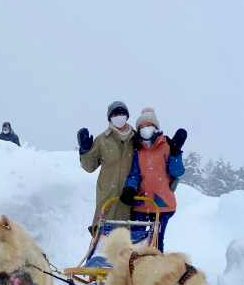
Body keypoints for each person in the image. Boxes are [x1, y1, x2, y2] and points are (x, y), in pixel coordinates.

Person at [120, 107, 187, 251]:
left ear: (155, 127)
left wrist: (175, 153)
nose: (145, 129)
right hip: (141, 203)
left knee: (156, 241)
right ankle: (136, 269)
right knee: (137, 242)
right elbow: (134, 174)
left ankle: (156, 269)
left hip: (161, 204)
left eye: (149, 126)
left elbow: (177, 172)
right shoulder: (138, 151)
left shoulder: (166, 146)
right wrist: (130, 188)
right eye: (142, 127)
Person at [78, 101, 135, 234]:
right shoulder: (102, 140)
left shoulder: (136, 138)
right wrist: (85, 151)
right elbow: (89, 167)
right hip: (107, 196)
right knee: (102, 238)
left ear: (127, 116)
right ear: (110, 118)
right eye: (115, 114)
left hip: (129, 196)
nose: (119, 117)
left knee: (128, 241)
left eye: (122, 113)